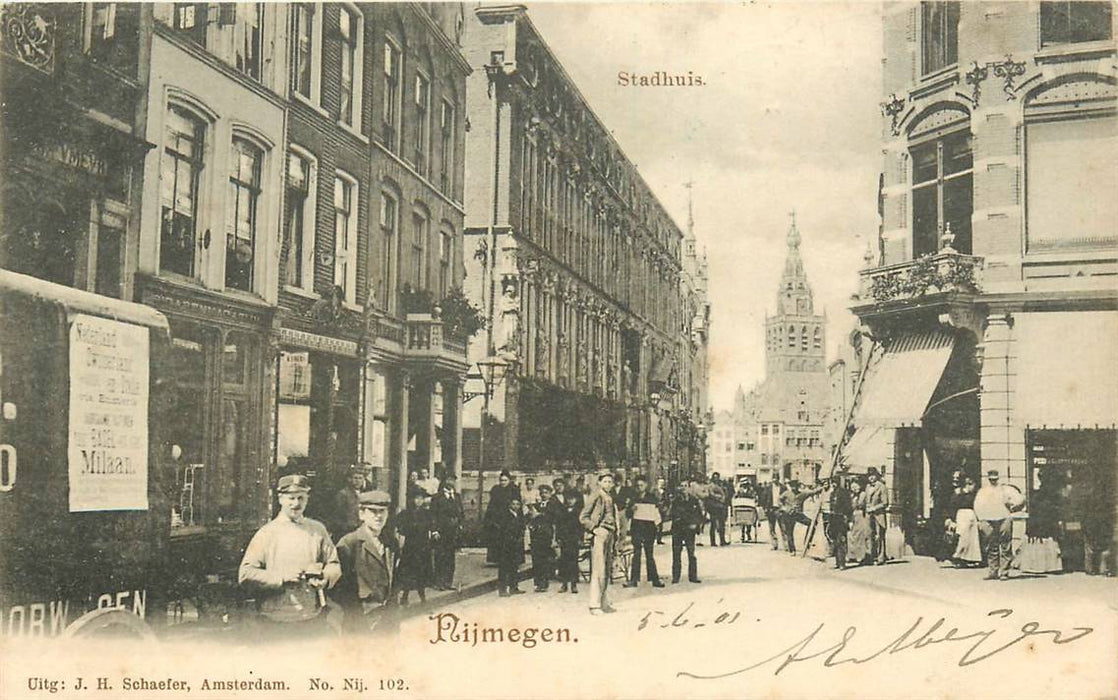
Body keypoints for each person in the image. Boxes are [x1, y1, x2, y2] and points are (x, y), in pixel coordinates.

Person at [239, 474, 341, 633]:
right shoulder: (267, 533)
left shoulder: (317, 530)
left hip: (311, 616)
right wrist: (282, 577)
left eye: (301, 498)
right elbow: (245, 574)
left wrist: (325, 579)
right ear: (280, 499)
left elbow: (333, 564)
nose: (296, 503)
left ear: (307, 499)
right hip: (276, 619)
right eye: (291, 498)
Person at [334, 490, 396, 634]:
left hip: (388, 621)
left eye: (383, 511)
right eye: (373, 511)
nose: (378, 516)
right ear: (362, 514)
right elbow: (339, 590)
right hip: (361, 621)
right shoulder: (349, 543)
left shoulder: (391, 542)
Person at [580, 473, 619, 614]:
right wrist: (595, 529)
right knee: (598, 570)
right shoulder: (596, 496)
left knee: (606, 570)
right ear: (600, 483)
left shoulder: (610, 497)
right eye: (605, 481)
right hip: (600, 535)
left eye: (610, 481)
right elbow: (583, 517)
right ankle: (594, 605)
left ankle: (604, 603)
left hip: (610, 534)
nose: (608, 484)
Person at [973, 469, 1023, 580]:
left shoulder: (1005, 489)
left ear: (998, 478)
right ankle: (993, 571)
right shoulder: (983, 491)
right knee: (991, 546)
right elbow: (977, 505)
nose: (993, 481)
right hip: (988, 520)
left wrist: (1013, 506)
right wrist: (981, 520)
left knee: (1005, 545)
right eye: (991, 479)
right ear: (988, 479)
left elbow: (1020, 499)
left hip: (1004, 518)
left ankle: (1004, 572)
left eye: (995, 479)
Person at [393, 487, 434, 605]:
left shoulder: (426, 513)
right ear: (412, 500)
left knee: (421, 572)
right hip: (410, 547)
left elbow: (431, 525)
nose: (419, 501)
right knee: (409, 573)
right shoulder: (406, 514)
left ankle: (423, 598)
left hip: (423, 547)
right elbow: (399, 526)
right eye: (416, 499)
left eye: (421, 499)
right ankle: (405, 597)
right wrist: (404, 531)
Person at [624, 475, 665, 588]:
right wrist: (631, 510)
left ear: (646, 485)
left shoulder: (652, 498)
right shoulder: (633, 498)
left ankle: (654, 578)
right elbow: (627, 514)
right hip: (636, 528)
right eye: (638, 486)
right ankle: (634, 579)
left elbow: (658, 513)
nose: (640, 487)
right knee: (636, 554)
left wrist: (657, 521)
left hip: (649, 528)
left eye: (642, 485)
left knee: (649, 554)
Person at [430, 477, 466, 590]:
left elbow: (461, 512)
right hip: (441, 531)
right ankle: (438, 582)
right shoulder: (437, 497)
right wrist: (434, 530)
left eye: (453, 481)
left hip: (453, 532)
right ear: (445, 482)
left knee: (450, 557)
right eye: (449, 480)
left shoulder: (457, 496)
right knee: (440, 556)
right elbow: (433, 515)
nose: (451, 483)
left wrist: (460, 525)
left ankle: (448, 582)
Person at [548, 478, 581, 594]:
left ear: (576, 500)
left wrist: (580, 538)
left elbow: (580, 527)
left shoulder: (578, 512)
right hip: (565, 539)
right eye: (569, 499)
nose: (570, 501)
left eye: (572, 499)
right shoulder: (563, 511)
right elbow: (560, 525)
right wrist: (558, 538)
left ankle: (574, 584)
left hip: (574, 539)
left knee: (574, 561)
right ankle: (564, 584)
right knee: (564, 561)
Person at [669, 478, 703, 584]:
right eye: (682, 486)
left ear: (689, 488)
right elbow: (673, 514)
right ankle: (676, 577)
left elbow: (699, 515)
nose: (683, 489)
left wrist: (696, 525)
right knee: (676, 553)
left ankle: (693, 576)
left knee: (691, 553)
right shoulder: (676, 501)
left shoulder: (694, 500)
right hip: (678, 529)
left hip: (689, 530)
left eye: (685, 486)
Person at [492, 496, 527, 596]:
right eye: (513, 504)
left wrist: (520, 538)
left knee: (514, 567)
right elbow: (504, 530)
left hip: (516, 545)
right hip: (506, 545)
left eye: (517, 504)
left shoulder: (519, 516)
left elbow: (522, 528)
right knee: (504, 567)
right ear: (509, 505)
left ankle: (514, 587)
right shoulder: (505, 516)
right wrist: (512, 539)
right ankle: (502, 589)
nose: (515, 506)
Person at [484, 470, 521, 564]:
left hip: (510, 515)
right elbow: (492, 504)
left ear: (509, 480)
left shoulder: (514, 489)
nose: (503, 482)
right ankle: (497, 559)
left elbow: (517, 503)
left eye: (505, 480)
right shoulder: (496, 490)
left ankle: (513, 559)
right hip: (498, 517)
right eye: (501, 480)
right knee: (498, 538)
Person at [948, 474, 982, 567]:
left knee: (973, 538)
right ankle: (958, 556)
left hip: (972, 515)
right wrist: (952, 519)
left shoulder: (974, 495)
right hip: (962, 515)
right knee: (963, 536)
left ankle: (970, 558)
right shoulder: (958, 493)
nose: (973, 487)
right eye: (972, 485)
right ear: (967, 484)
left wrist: (979, 519)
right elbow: (952, 506)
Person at [529, 484, 557, 592]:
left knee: (545, 560)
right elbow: (531, 518)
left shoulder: (553, 505)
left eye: (546, 492)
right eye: (542, 493)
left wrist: (539, 515)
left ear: (550, 494)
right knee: (536, 560)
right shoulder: (536, 505)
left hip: (547, 535)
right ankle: (537, 583)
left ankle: (544, 583)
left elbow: (553, 518)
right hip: (536, 536)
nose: (543, 495)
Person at [330, 465, 368, 540]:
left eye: (360, 478)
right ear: (349, 479)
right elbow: (338, 514)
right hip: (347, 531)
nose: (358, 481)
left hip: (361, 530)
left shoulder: (365, 494)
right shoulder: (343, 494)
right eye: (355, 478)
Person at [827, 475, 854, 570]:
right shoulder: (832, 493)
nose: (833, 484)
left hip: (841, 519)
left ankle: (842, 563)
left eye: (835, 482)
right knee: (835, 541)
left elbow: (849, 507)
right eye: (832, 482)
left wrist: (848, 519)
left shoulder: (844, 492)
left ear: (838, 482)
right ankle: (837, 562)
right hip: (834, 519)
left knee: (841, 541)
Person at [864, 467, 889, 565]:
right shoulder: (867, 487)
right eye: (869, 476)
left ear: (876, 476)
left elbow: (885, 503)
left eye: (873, 475)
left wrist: (874, 508)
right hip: (869, 515)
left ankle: (881, 558)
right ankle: (870, 557)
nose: (871, 478)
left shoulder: (882, 486)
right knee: (869, 536)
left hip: (879, 515)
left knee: (879, 537)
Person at [847, 479, 871, 565]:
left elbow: (860, 505)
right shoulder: (852, 495)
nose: (854, 488)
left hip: (861, 515)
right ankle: (852, 555)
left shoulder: (863, 494)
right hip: (853, 516)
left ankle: (861, 556)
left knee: (860, 536)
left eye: (856, 486)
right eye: (852, 487)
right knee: (852, 536)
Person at [706, 473, 730, 547]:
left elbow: (725, 494)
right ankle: (712, 542)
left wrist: (723, 498)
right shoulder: (710, 486)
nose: (716, 479)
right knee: (713, 524)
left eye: (717, 477)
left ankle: (722, 540)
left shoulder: (721, 485)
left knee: (722, 524)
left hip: (721, 506)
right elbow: (711, 494)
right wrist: (720, 497)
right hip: (713, 506)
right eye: (715, 477)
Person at [758, 478, 778, 550]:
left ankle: (787, 546)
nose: (775, 481)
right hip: (771, 509)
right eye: (774, 479)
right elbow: (763, 498)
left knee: (783, 528)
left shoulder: (783, 487)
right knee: (772, 528)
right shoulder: (768, 488)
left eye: (777, 479)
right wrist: (765, 508)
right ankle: (774, 544)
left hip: (780, 509)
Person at [653, 477, 668, 544]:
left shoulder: (665, 491)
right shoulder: (654, 491)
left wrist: (665, 507)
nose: (661, 484)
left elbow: (667, 500)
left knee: (661, 524)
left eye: (662, 483)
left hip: (662, 509)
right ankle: (653, 537)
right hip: (656, 509)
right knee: (655, 524)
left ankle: (659, 539)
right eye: (660, 482)